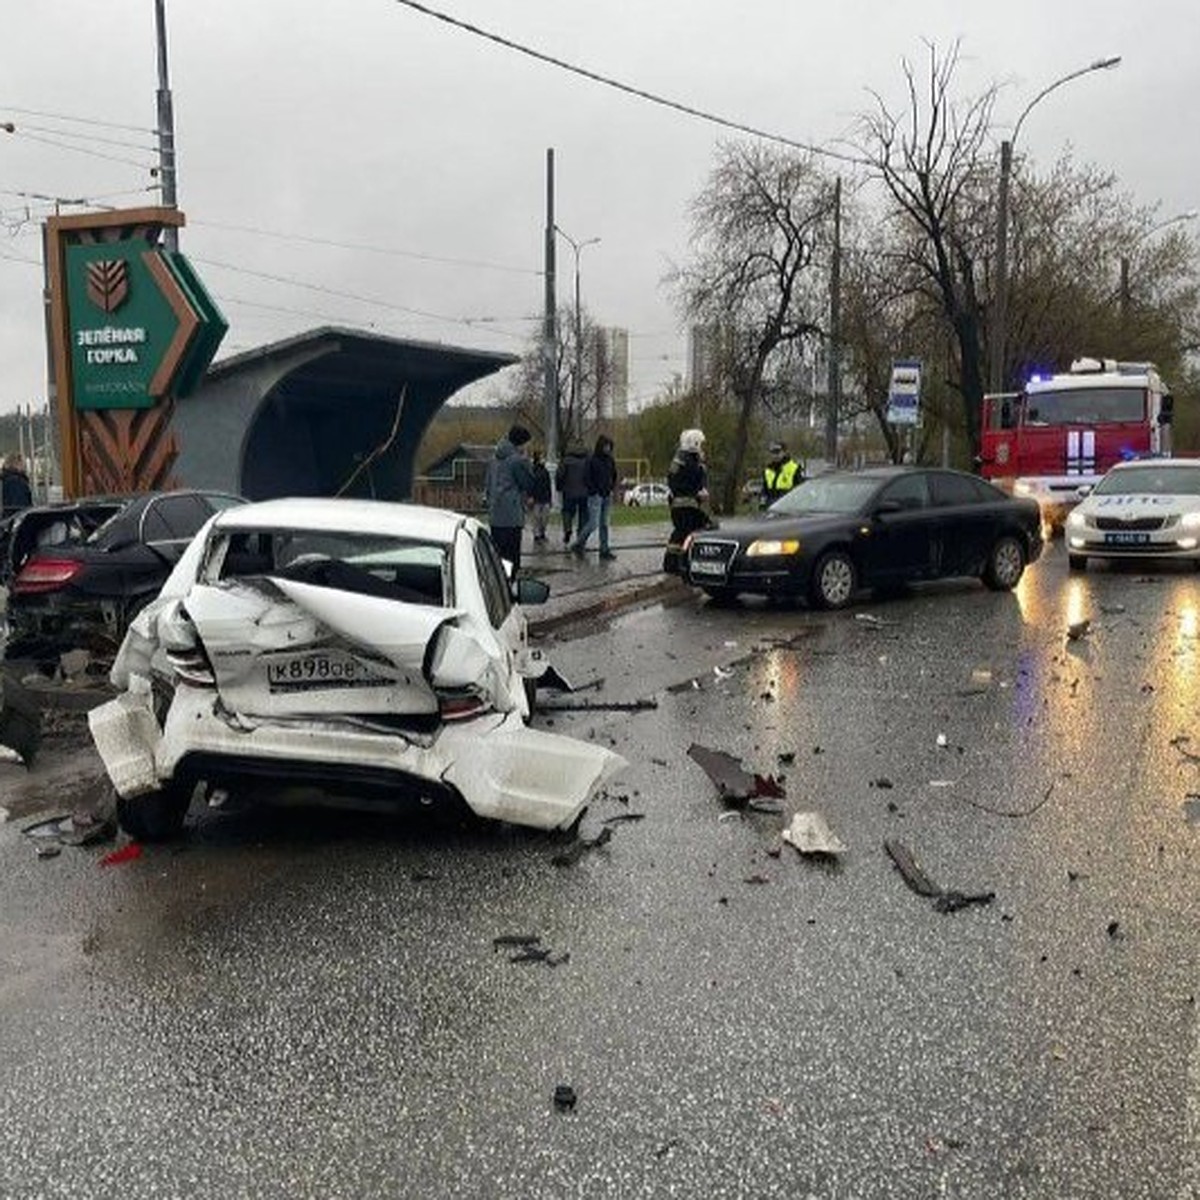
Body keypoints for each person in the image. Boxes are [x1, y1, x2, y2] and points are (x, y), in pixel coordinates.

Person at [484, 424, 535, 573]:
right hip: (512, 516)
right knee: (512, 558)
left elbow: (488, 485)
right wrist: (527, 461)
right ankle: (509, 586)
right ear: (520, 442)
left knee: (499, 556)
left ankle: (500, 582)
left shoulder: (493, 460)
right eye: (527, 443)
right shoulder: (517, 461)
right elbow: (528, 483)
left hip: (495, 515)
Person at [664, 428, 715, 574]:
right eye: (701, 444)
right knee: (696, 531)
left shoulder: (678, 460)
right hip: (689, 506)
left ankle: (675, 563)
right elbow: (697, 486)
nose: (703, 448)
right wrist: (699, 493)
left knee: (680, 533)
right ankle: (682, 563)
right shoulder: (694, 464)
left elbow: (673, 482)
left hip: (677, 506)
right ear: (695, 443)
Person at [571, 434, 618, 560]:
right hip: (595, 496)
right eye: (606, 446)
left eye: (609, 447)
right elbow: (586, 477)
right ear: (601, 446)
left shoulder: (610, 460)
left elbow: (614, 475)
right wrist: (594, 490)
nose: (608, 449)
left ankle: (604, 549)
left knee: (605, 524)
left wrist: (611, 487)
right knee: (593, 524)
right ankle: (578, 543)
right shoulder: (592, 460)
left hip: (607, 495)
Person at [555, 443, 589, 546]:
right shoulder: (587, 460)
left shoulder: (565, 461)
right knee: (583, 513)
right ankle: (581, 535)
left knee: (567, 511)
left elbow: (560, 475)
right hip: (584, 492)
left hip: (569, 491)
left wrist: (559, 487)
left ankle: (567, 529)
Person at [761, 441, 802, 508]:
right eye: (773, 453)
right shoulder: (768, 470)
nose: (775, 455)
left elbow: (799, 490)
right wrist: (762, 502)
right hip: (771, 506)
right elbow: (764, 490)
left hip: (788, 506)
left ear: (785, 452)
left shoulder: (794, 468)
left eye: (778, 452)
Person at [528, 449, 552, 544]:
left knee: (544, 518)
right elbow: (530, 484)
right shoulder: (532, 470)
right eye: (542, 457)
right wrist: (530, 496)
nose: (544, 459)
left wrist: (550, 498)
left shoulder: (545, 471)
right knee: (536, 518)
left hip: (545, 497)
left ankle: (542, 533)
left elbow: (548, 485)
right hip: (536, 498)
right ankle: (537, 535)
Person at [1, 453, 33, 519]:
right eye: (23, 463)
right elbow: (20, 505)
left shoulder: (6, 479)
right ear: (17, 464)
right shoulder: (16, 481)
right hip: (18, 520)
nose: (25, 466)